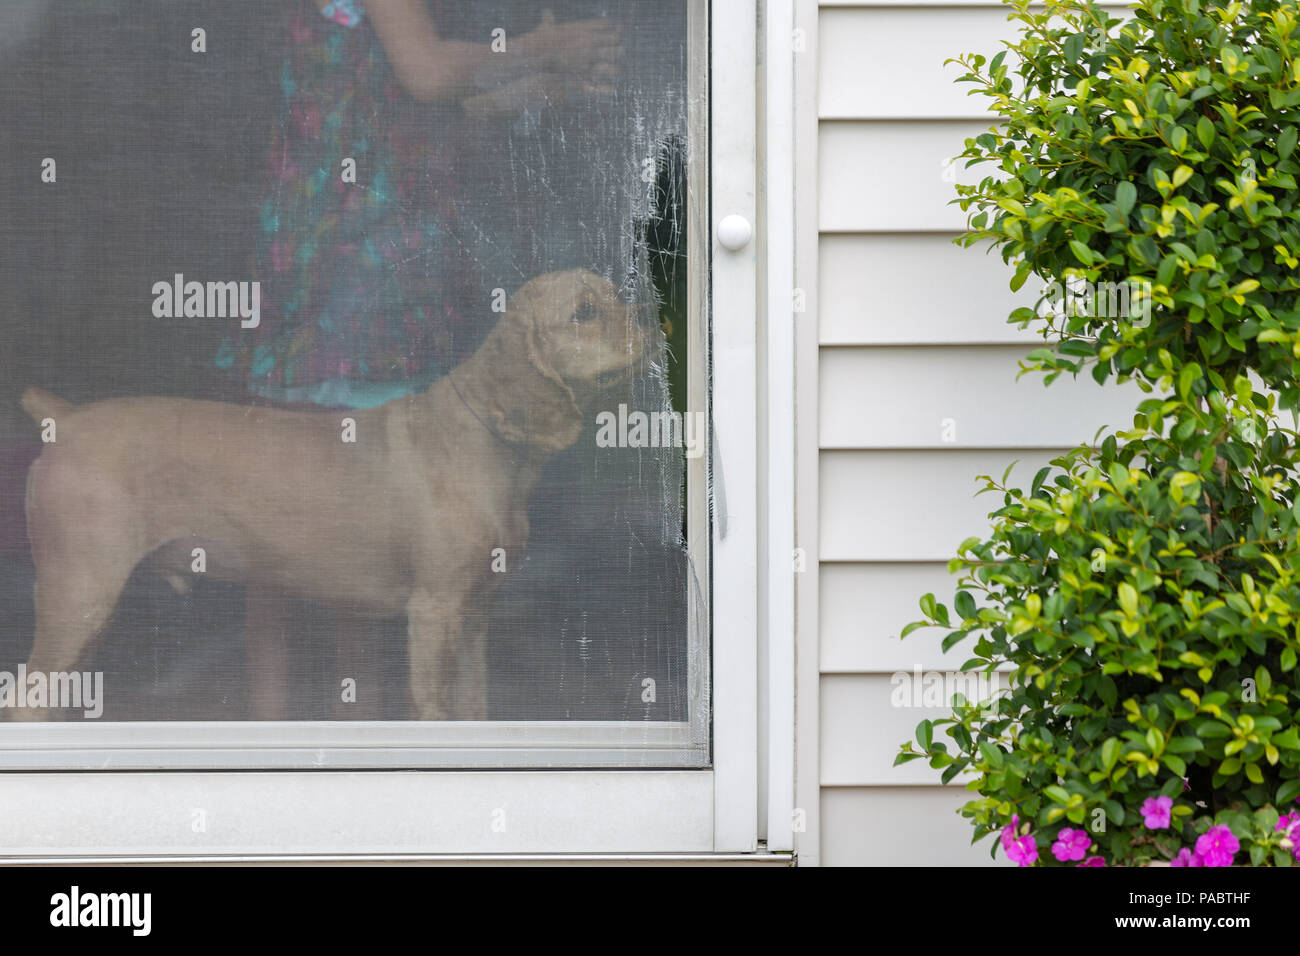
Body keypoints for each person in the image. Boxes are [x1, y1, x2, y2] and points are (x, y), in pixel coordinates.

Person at [224, 0, 622, 717]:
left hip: (345, 257)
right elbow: (429, 73)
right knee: (314, 514)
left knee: (306, 520)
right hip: (354, 262)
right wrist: (546, 45)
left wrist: (547, 84)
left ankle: (291, 736)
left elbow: (428, 102)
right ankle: (340, 736)